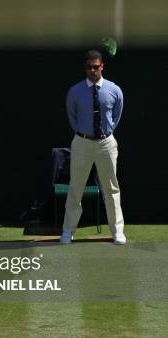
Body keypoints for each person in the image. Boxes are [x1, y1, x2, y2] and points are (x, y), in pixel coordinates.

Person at [62, 50, 125, 245]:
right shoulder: (75, 91)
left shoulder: (114, 90)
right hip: (82, 143)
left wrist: (105, 133)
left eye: (95, 67)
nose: (92, 71)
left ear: (102, 67)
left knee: (111, 189)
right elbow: (72, 116)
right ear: (85, 68)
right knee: (75, 188)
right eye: (89, 67)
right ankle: (68, 231)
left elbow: (116, 114)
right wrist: (85, 134)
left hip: (106, 143)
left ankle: (117, 231)